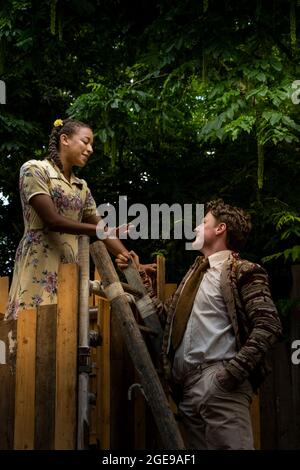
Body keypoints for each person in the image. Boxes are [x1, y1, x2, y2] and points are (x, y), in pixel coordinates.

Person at [116, 199, 282, 450]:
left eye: (203, 222)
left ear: (220, 229)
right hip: (188, 392)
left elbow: (269, 325)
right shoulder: (191, 278)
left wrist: (230, 375)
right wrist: (138, 277)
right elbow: (163, 319)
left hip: (221, 384)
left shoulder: (243, 271)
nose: (195, 227)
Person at [5, 117, 130, 320]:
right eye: (86, 141)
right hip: (40, 261)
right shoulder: (35, 169)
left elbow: (102, 228)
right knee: (32, 326)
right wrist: (100, 231)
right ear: (65, 139)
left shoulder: (81, 186)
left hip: (71, 266)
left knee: (67, 329)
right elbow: (52, 221)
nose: (90, 149)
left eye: (92, 145)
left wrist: (130, 259)